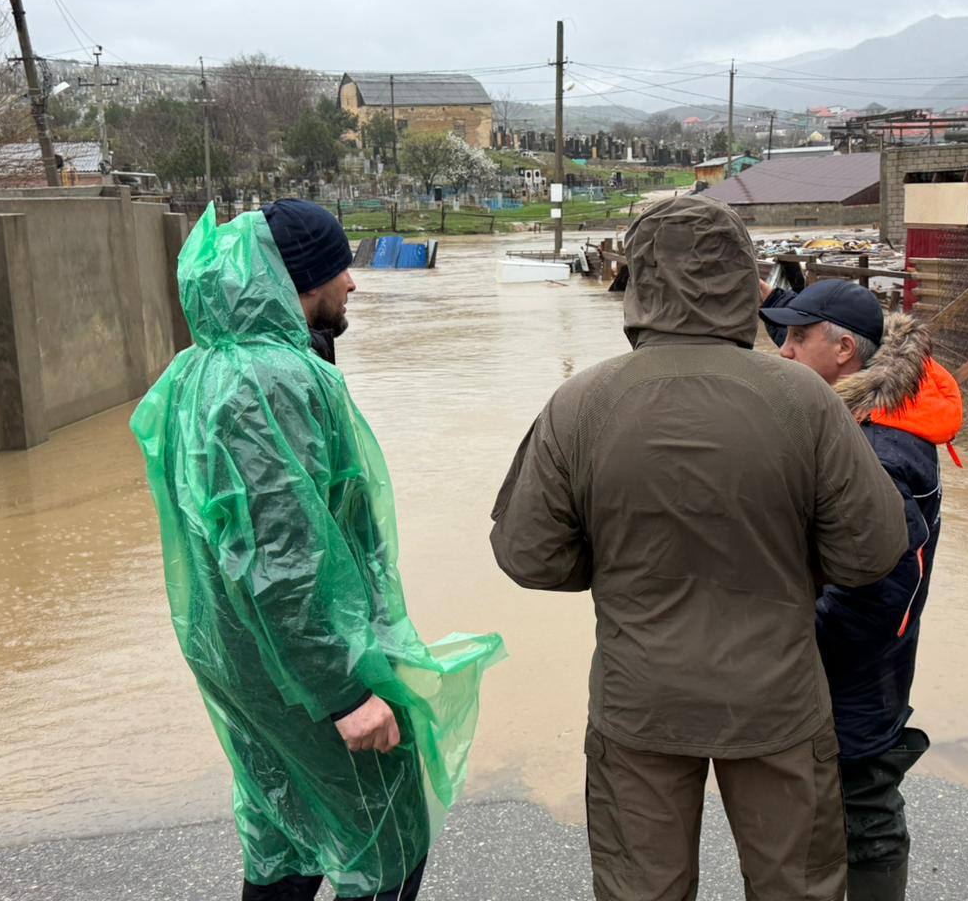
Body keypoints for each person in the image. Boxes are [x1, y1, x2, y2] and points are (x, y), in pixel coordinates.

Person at [490, 195, 910, 901]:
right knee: (798, 888)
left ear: (638, 278)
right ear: (747, 283)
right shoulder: (804, 400)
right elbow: (870, 552)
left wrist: (617, 563)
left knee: (641, 890)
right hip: (776, 698)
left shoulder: (581, 402)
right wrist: (793, 558)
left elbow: (529, 555)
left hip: (641, 699)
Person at [131, 200, 503, 901]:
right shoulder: (269, 382)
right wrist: (345, 692)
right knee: (387, 839)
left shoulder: (197, 369)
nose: (353, 283)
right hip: (303, 671)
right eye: (339, 267)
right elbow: (281, 560)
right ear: (298, 278)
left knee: (285, 829)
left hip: (244, 659)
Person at [760, 279, 964, 901]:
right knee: (838, 800)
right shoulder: (865, 415)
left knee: (865, 799)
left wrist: (799, 646)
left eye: (798, 337)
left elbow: (881, 590)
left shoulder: (880, 444)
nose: (784, 352)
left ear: (844, 348)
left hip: (857, 664)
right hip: (853, 655)